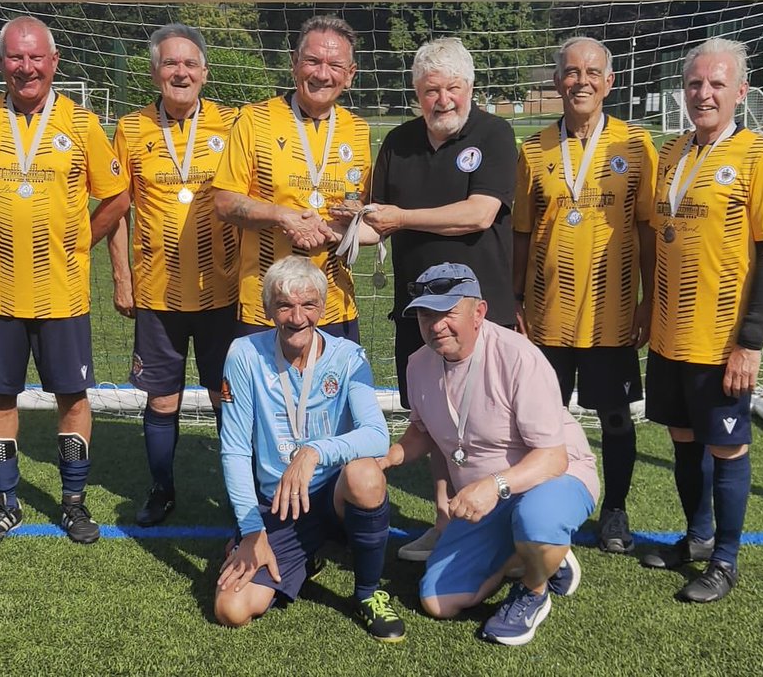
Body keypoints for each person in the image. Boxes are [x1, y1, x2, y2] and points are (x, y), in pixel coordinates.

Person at [0, 15, 130, 547]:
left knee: (71, 397)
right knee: (0, 398)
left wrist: (78, 243)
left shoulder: (82, 124)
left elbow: (117, 196)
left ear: (54, 63)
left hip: (64, 291)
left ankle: (73, 501)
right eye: (14, 56)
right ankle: (5, 504)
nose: (25, 67)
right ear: (1, 62)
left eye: (35, 57)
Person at [640, 38, 763, 602]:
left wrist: (749, 342)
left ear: (741, 92)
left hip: (722, 339)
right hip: (668, 334)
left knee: (727, 448)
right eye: (694, 84)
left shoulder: (760, 156)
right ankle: (698, 537)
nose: (703, 94)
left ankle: (725, 560)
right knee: (683, 439)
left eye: (716, 84)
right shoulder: (674, 151)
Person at [379, 263, 599, 646]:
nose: (435, 326)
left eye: (447, 313)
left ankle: (533, 590)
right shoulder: (418, 364)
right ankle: (529, 552)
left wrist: (492, 485)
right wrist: (388, 457)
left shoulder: (518, 357)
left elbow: (553, 458)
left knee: (536, 520)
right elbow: (424, 432)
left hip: (551, 479)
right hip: (485, 499)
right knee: (437, 601)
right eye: (426, 314)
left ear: (478, 312)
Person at [363, 37, 517, 561]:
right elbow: (372, 222)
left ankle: (498, 530)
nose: (443, 99)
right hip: (418, 309)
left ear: (470, 88)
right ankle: (444, 521)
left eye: (453, 88)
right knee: (432, 420)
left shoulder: (495, 134)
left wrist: (399, 218)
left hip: (478, 311)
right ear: (416, 92)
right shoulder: (398, 141)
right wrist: (326, 230)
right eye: (432, 90)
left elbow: (478, 213)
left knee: (489, 420)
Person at [512, 36, 656, 555]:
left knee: (614, 416)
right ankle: (539, 503)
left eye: (593, 72)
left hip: (612, 313)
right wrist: (513, 302)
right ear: (557, 82)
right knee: (539, 417)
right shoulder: (533, 149)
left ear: (609, 82)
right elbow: (522, 235)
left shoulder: (636, 147)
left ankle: (614, 510)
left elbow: (645, 230)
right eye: (571, 72)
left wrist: (646, 301)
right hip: (546, 314)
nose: (581, 81)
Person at [215, 256, 405, 642]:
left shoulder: (347, 357)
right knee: (231, 609)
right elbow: (235, 450)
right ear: (268, 309)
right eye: (284, 305)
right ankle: (303, 553)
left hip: (334, 495)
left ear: (322, 307)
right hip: (279, 504)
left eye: (308, 305)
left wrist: (314, 451)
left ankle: (368, 593)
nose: (297, 317)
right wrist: (252, 531)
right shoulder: (244, 354)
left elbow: (376, 435)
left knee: (365, 475)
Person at [107, 23, 240, 527]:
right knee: (162, 398)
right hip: (157, 292)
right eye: (170, 63)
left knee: (224, 395)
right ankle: (162, 489)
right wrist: (122, 277)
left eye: (189, 64)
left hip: (223, 290)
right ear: (154, 71)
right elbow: (117, 208)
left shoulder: (232, 125)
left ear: (205, 72)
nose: (180, 72)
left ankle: (238, 491)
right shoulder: (130, 128)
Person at [213, 16, 369, 342]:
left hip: (334, 303)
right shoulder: (253, 120)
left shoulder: (358, 131)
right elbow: (224, 202)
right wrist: (282, 216)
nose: (322, 73)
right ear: (294, 63)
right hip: (265, 305)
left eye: (335, 65)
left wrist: (333, 227)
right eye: (312, 61)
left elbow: (363, 211)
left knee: (333, 393)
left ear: (350, 75)